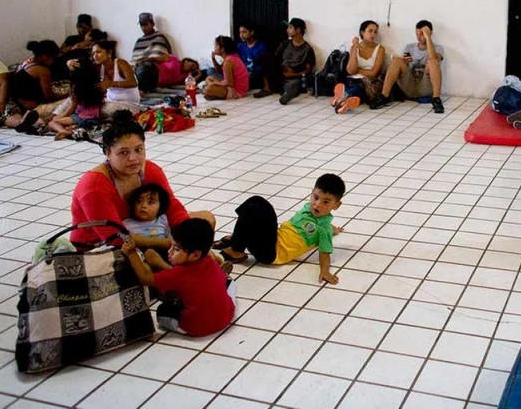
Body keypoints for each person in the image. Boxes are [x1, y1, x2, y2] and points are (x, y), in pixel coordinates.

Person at [69, 110, 215, 247]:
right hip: (99, 248)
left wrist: (187, 236)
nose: (133, 159)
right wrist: (172, 244)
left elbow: (171, 206)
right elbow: (115, 238)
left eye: (138, 150)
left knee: (206, 220)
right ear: (108, 153)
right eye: (123, 153)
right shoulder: (94, 186)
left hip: (144, 229)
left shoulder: (150, 170)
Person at [216, 174, 346, 284]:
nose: (317, 204)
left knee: (260, 209)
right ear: (311, 193)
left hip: (271, 253)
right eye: (316, 197)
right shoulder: (309, 208)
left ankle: (236, 250)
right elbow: (328, 226)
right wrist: (335, 230)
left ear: (337, 205)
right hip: (273, 238)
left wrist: (325, 271)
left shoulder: (324, 230)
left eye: (326, 202)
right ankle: (238, 239)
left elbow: (324, 253)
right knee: (256, 200)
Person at [121, 219, 236, 336]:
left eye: (176, 249)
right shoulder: (211, 262)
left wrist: (131, 252)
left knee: (162, 311)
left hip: (197, 327)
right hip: (226, 317)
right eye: (171, 246)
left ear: (195, 255)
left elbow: (144, 278)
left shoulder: (178, 274)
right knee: (230, 284)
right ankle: (224, 279)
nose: (169, 252)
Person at [369, 20, 445, 114]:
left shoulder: (438, 48)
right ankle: (384, 96)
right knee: (397, 60)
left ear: (430, 33)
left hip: (426, 85)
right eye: (417, 34)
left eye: (422, 34)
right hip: (410, 84)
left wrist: (428, 38)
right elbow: (402, 67)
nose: (419, 37)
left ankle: (436, 99)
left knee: (433, 61)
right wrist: (405, 62)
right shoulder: (410, 47)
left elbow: (433, 58)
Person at [331, 20, 385, 114]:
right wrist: (355, 47)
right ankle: (344, 103)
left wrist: (357, 71)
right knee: (355, 88)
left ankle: (341, 98)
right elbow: (351, 70)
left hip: (368, 83)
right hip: (351, 80)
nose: (373, 34)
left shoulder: (380, 49)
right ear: (362, 32)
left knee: (360, 86)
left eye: (375, 32)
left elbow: (374, 72)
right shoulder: (354, 47)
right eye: (370, 31)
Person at [257, 18, 315, 104]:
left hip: (295, 76)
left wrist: (293, 74)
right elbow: (275, 59)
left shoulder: (308, 49)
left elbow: (308, 70)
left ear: (298, 30)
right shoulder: (285, 44)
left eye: (290, 28)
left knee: (293, 84)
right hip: (282, 72)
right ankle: (267, 88)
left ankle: (287, 95)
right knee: (265, 59)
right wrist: (283, 67)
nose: (287, 30)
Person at [46, 64, 103, 140]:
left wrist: (60, 117)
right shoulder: (96, 85)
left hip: (81, 117)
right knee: (59, 120)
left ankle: (64, 132)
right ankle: (71, 128)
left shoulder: (77, 88)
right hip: (95, 118)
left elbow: (72, 106)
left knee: (52, 123)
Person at [87, 40, 141, 117]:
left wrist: (111, 83)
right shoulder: (99, 66)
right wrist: (69, 62)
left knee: (100, 110)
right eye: (93, 54)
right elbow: (83, 64)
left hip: (130, 104)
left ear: (109, 53)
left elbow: (133, 83)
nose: (95, 56)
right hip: (110, 102)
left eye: (98, 52)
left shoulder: (121, 63)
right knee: (88, 106)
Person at [10, 40, 60, 111]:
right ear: (44, 56)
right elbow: (49, 97)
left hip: (16, 102)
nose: (53, 61)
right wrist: (66, 95)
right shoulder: (43, 71)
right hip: (30, 107)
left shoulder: (28, 61)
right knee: (69, 103)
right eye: (53, 58)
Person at [131, 12, 175, 93]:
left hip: (153, 70)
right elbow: (134, 60)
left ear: (152, 24)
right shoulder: (139, 41)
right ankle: (135, 87)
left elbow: (166, 57)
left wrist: (148, 59)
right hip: (138, 69)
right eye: (142, 25)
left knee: (147, 66)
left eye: (146, 24)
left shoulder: (159, 37)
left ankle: (135, 88)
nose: (144, 28)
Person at [203, 35, 249, 100]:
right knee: (209, 78)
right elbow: (220, 72)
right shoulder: (231, 57)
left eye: (216, 46)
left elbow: (229, 84)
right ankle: (210, 92)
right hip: (232, 87)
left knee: (209, 89)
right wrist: (213, 59)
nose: (214, 48)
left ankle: (208, 91)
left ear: (222, 49)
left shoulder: (228, 62)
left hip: (236, 92)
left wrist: (214, 83)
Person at [235, 24, 267, 90]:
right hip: (243, 73)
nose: (241, 35)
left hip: (256, 75)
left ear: (252, 32)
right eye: (240, 32)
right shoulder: (240, 46)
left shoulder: (260, 46)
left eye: (244, 32)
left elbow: (265, 66)